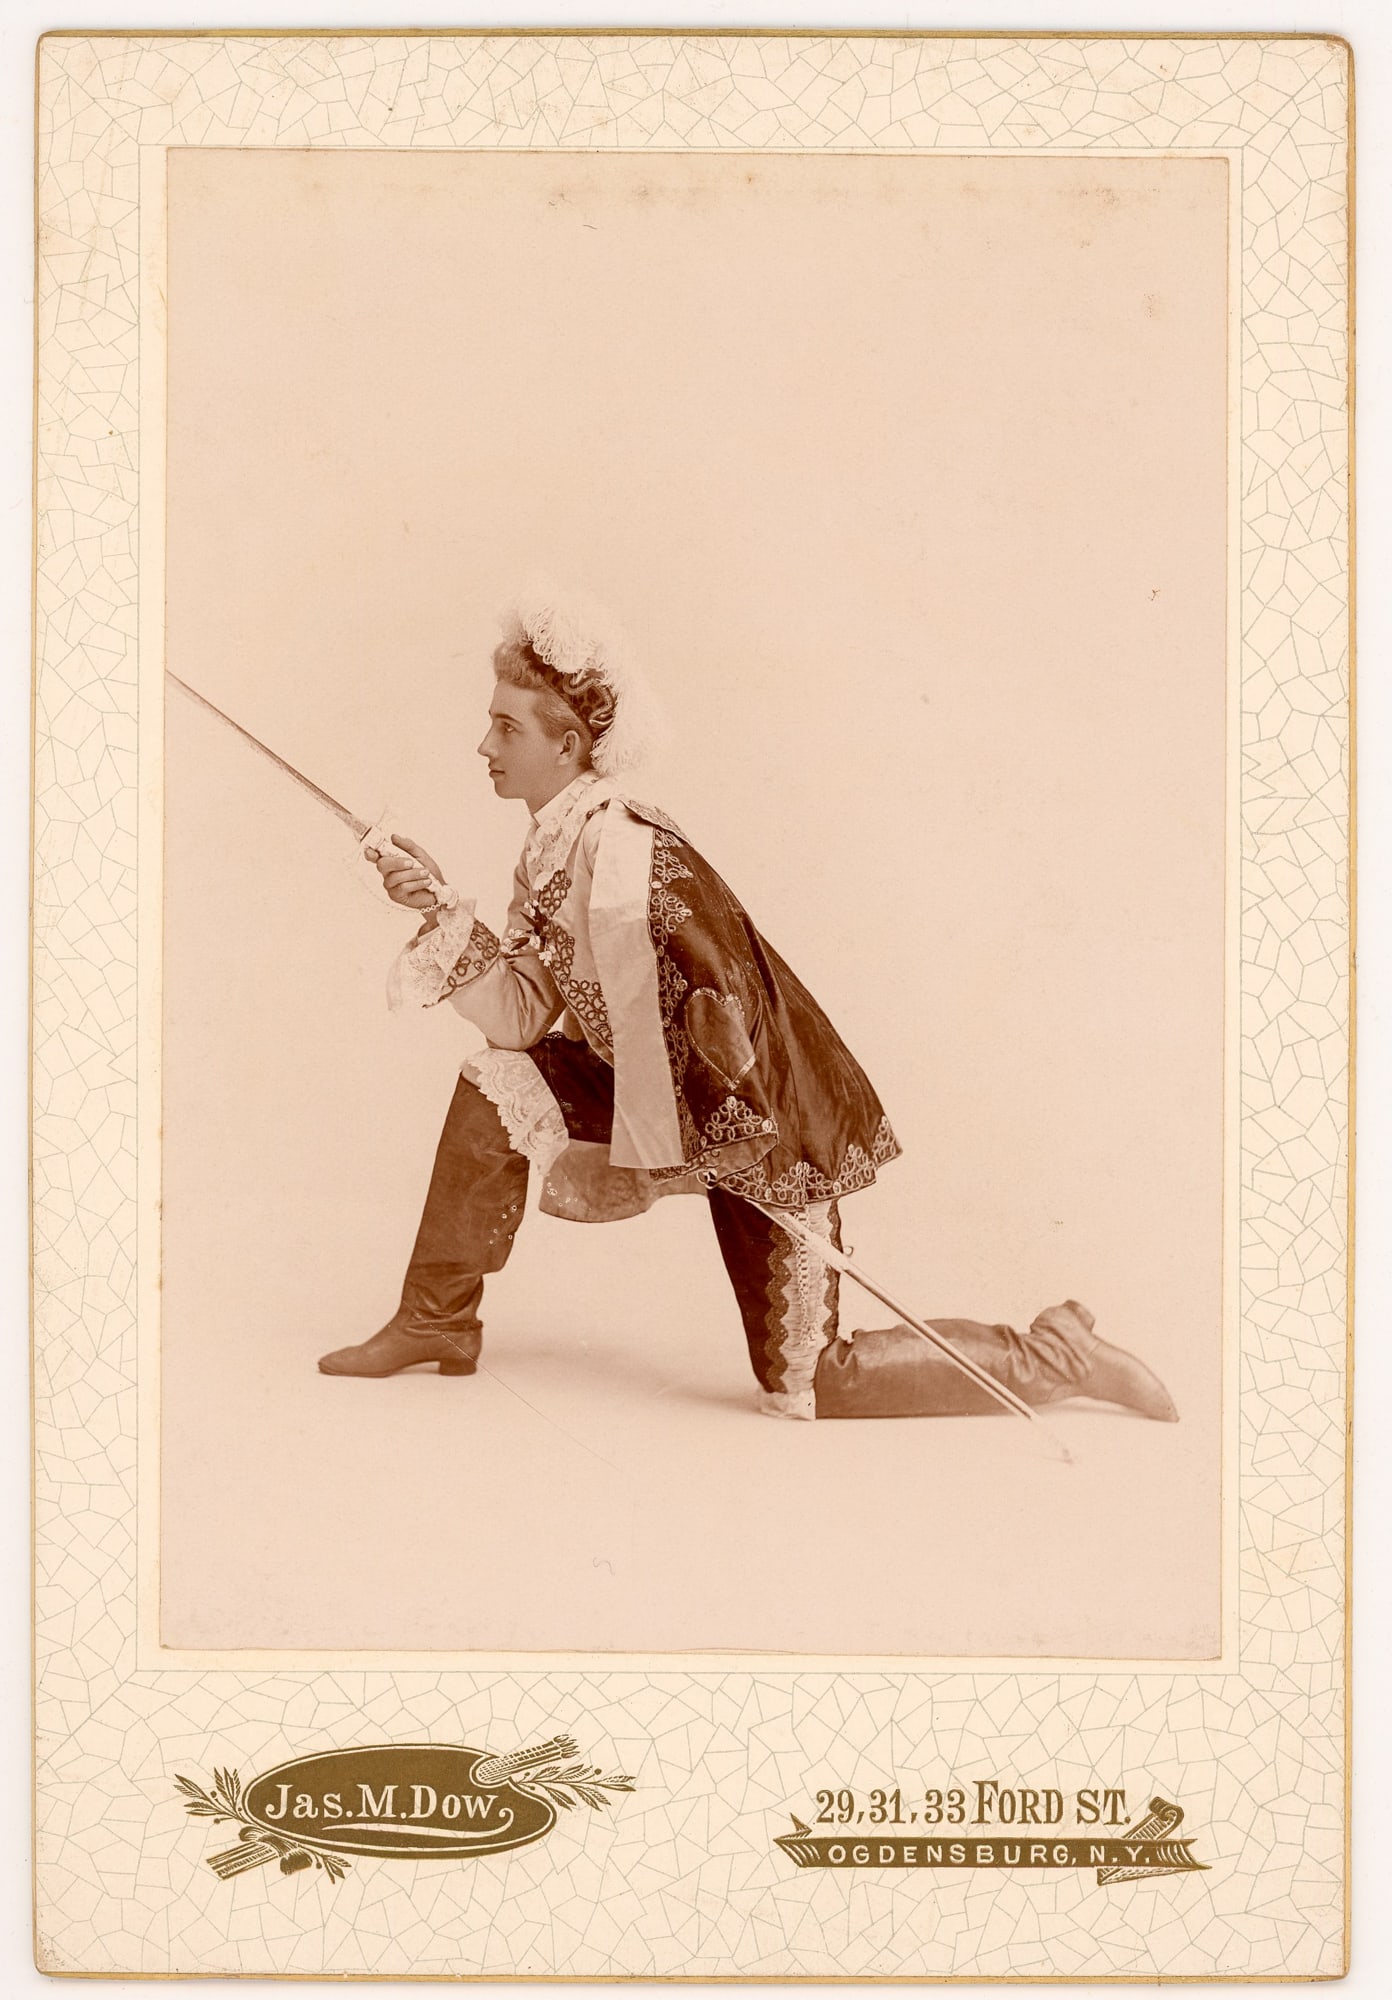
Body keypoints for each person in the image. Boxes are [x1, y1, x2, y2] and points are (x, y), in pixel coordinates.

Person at [318, 595, 1177, 1425]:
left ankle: (1053, 1353)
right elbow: (522, 1020)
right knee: (498, 1075)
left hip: (763, 1123)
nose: (484, 745)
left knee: (808, 1385)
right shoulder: (553, 848)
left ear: (568, 743)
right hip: (660, 1100)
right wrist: (439, 911)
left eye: (507, 727)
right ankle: (437, 1316)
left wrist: (686, 1152)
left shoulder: (622, 852)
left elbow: (726, 1019)